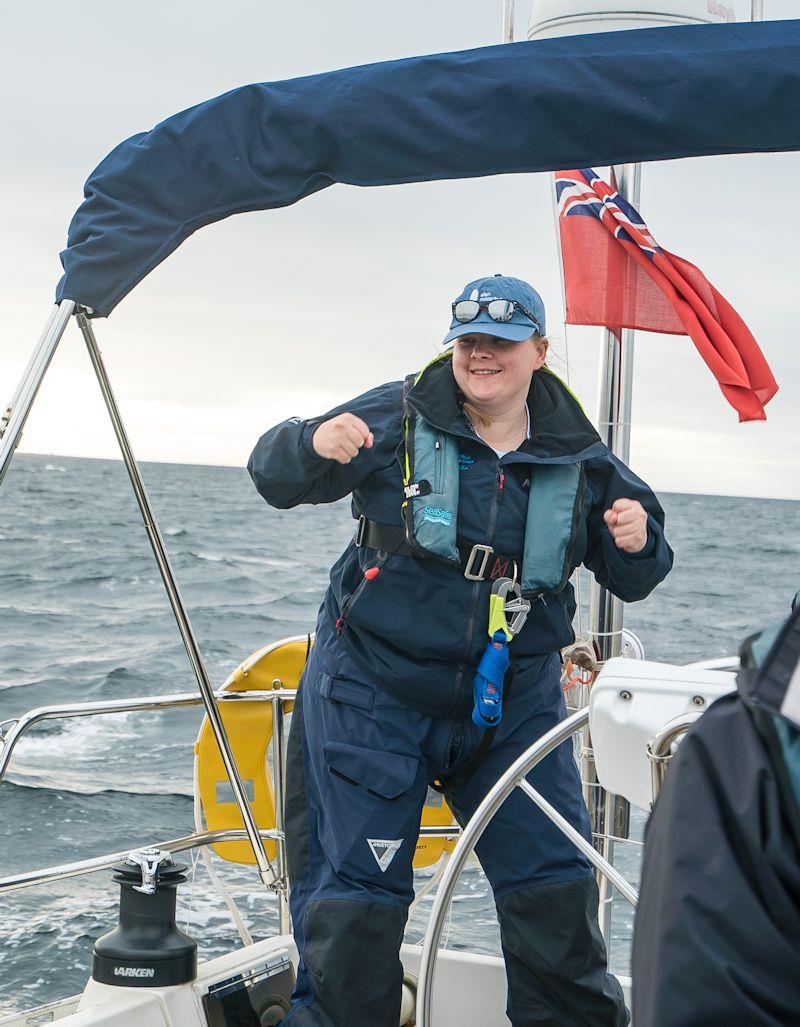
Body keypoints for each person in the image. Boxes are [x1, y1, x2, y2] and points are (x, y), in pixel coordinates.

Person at [248, 274, 674, 1027]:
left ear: (538, 351)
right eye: (470, 339)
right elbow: (274, 475)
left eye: (502, 341)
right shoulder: (397, 413)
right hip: (374, 693)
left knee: (555, 893)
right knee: (355, 911)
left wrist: (639, 540)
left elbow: (636, 573)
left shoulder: (578, 451)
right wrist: (310, 442)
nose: (482, 354)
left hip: (513, 699)